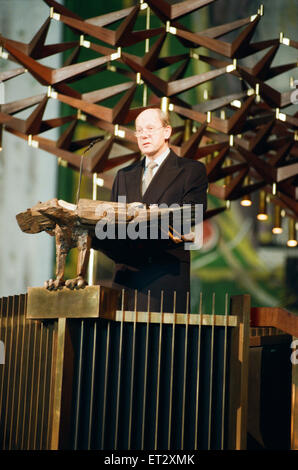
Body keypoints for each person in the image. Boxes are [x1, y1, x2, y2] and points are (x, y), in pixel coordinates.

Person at [93, 107, 208, 313]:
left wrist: (148, 216)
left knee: (159, 343)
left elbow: (193, 213)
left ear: (167, 132)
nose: (143, 134)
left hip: (163, 277)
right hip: (125, 280)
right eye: (138, 130)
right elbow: (112, 224)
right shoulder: (124, 175)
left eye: (150, 128)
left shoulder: (190, 171)